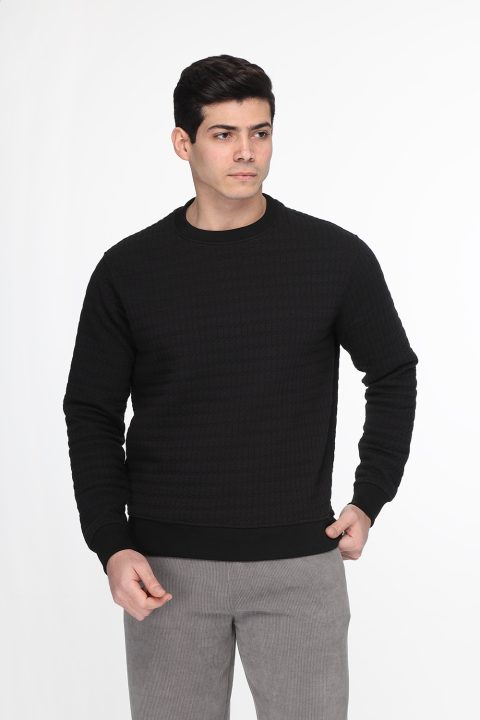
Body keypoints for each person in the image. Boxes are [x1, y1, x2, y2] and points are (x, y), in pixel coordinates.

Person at [62, 54, 418, 720]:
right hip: (165, 571)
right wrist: (111, 543)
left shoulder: (333, 258)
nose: (246, 151)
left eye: (260, 132)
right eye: (224, 134)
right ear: (183, 143)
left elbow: (393, 371)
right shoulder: (129, 270)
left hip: (298, 566)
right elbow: (91, 412)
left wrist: (370, 497)